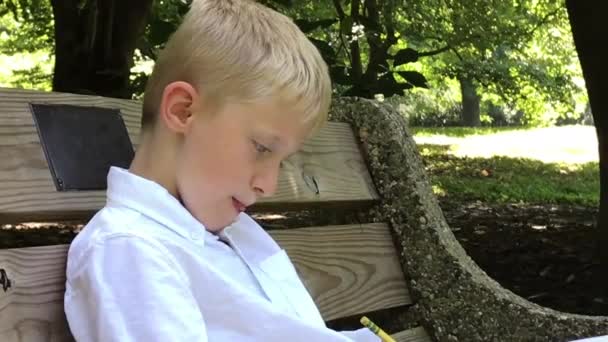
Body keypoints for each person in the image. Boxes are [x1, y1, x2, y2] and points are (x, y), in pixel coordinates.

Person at [64, 0, 381, 341]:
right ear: (184, 111)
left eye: (282, 161)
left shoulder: (233, 231)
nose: (269, 185)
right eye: (261, 148)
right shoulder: (128, 250)